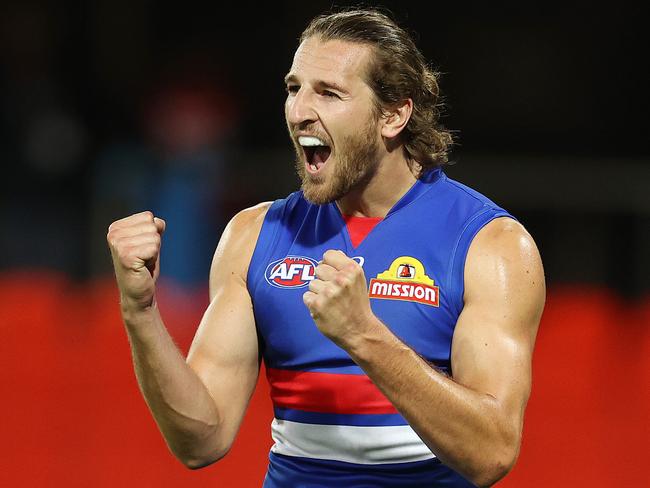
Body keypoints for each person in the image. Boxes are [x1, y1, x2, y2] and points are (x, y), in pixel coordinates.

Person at [107, 8, 545, 488]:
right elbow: (201, 441)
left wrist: (363, 335)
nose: (299, 111)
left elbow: (492, 453)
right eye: (294, 88)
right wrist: (140, 310)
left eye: (329, 93)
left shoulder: (490, 245)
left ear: (395, 114)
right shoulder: (254, 236)